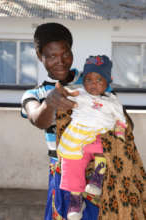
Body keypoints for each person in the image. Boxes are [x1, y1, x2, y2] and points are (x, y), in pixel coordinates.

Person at [21, 22, 99, 220]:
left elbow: (125, 122)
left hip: (99, 172)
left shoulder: (93, 82)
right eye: (52, 56)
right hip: (62, 174)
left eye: (65, 53)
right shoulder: (34, 94)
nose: (61, 61)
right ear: (40, 57)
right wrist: (50, 103)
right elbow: (38, 119)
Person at [57, 55, 127, 220]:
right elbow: (63, 97)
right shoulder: (79, 93)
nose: (93, 84)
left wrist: (120, 133)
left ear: (108, 81)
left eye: (99, 79)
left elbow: (120, 120)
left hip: (99, 134)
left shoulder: (113, 102)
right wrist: (61, 93)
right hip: (77, 135)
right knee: (70, 161)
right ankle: (76, 198)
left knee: (105, 147)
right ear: (83, 80)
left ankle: (98, 174)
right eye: (88, 79)